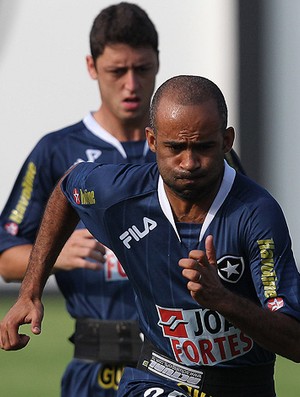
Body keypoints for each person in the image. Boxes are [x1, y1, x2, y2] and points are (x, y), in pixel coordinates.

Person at [1, 75, 299, 397]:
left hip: (241, 386)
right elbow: (68, 188)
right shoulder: (121, 193)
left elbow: (295, 341)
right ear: (152, 141)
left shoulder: (257, 214)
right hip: (155, 375)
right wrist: (31, 291)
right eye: (175, 148)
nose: (189, 162)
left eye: (203, 147)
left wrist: (223, 300)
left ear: (227, 141)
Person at [0, 3, 159, 396]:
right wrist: (56, 251)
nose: (131, 84)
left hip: (178, 358)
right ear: (92, 67)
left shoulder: (185, 151)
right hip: (97, 361)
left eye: (142, 69)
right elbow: (6, 259)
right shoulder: (57, 151)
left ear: (158, 62)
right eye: (117, 71)